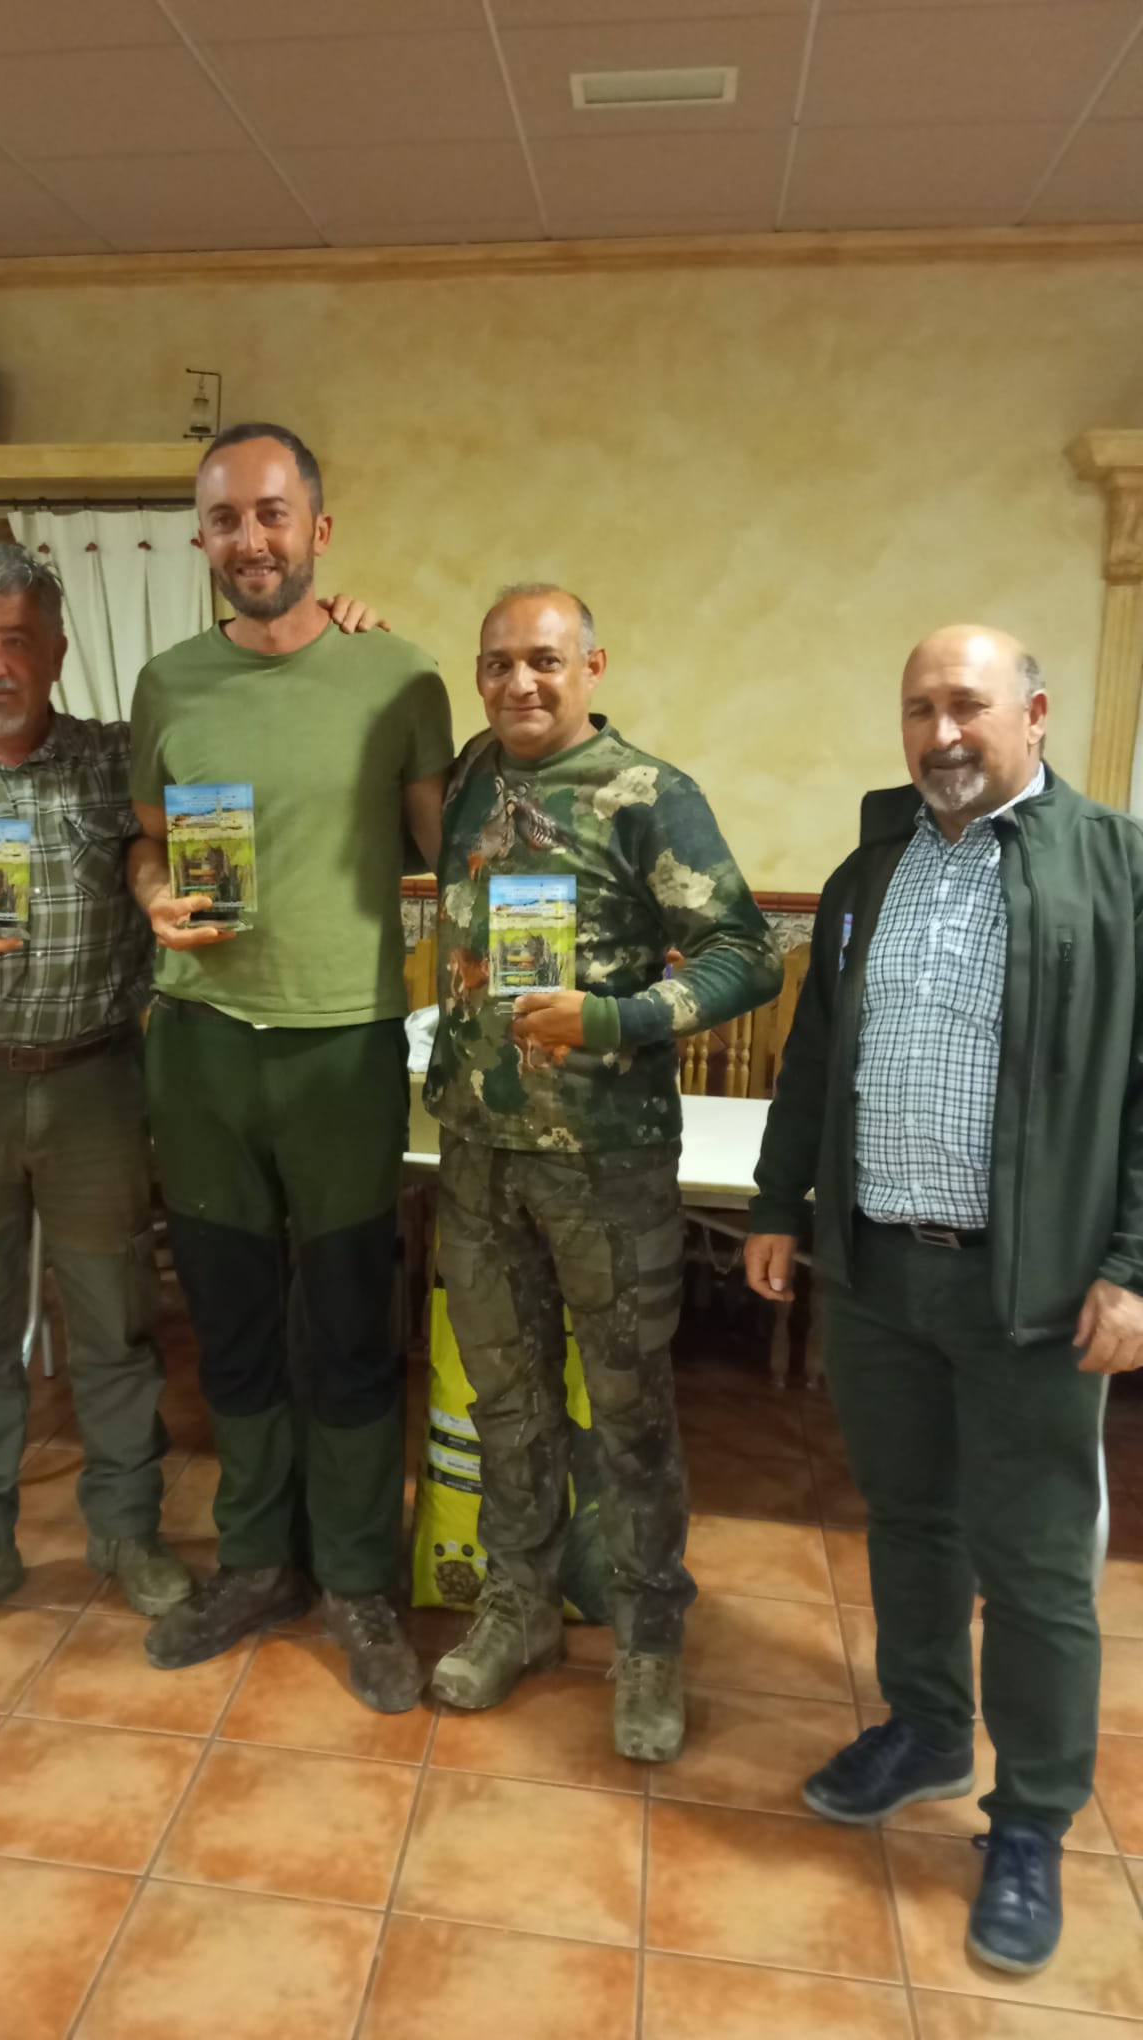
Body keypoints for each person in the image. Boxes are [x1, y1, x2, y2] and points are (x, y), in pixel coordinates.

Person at [0, 540, 381, 1651]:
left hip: (99, 1088)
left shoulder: (116, 761)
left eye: (19, 637)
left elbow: (233, 765)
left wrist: (331, 637)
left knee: (116, 1332)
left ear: (58, 650)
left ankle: (125, 1532)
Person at [745, 625, 1143, 1974]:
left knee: (1034, 1565)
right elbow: (811, 1064)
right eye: (919, 708)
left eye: (967, 704)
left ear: (1033, 712)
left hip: (1030, 1292)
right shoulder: (873, 870)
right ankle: (924, 1727)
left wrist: (1135, 1266)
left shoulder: (1115, 868)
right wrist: (776, 1208)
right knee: (908, 1519)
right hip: (875, 1275)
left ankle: (1028, 1818)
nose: (941, 732)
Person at [127, 423, 454, 1714]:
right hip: (200, 1045)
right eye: (223, 519)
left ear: (320, 530)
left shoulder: (402, 677)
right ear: (200, 538)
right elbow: (145, 848)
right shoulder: (168, 683)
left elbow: (450, 852)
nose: (248, 540)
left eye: (272, 514)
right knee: (235, 1322)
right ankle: (259, 1561)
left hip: (343, 1048)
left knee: (347, 1328)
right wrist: (154, 897)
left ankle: (361, 1580)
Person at [425, 584, 781, 1758]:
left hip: (608, 1167)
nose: (519, 684)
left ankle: (646, 1639)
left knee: (628, 1414)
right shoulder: (476, 771)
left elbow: (746, 953)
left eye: (543, 661)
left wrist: (624, 1018)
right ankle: (519, 1608)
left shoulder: (650, 797)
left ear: (593, 667)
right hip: (479, 1158)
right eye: (497, 663)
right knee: (508, 1403)